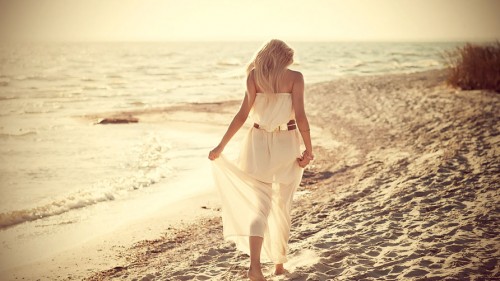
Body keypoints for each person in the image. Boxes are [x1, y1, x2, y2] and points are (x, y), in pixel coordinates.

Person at [208, 39, 314, 281]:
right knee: (282, 206)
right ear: (284, 57)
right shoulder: (296, 77)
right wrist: (309, 150)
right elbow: (301, 116)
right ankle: (278, 265)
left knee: (261, 208)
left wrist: (220, 146)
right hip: (286, 142)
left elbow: (241, 115)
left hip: (256, 143)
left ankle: (254, 268)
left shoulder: (254, 76)